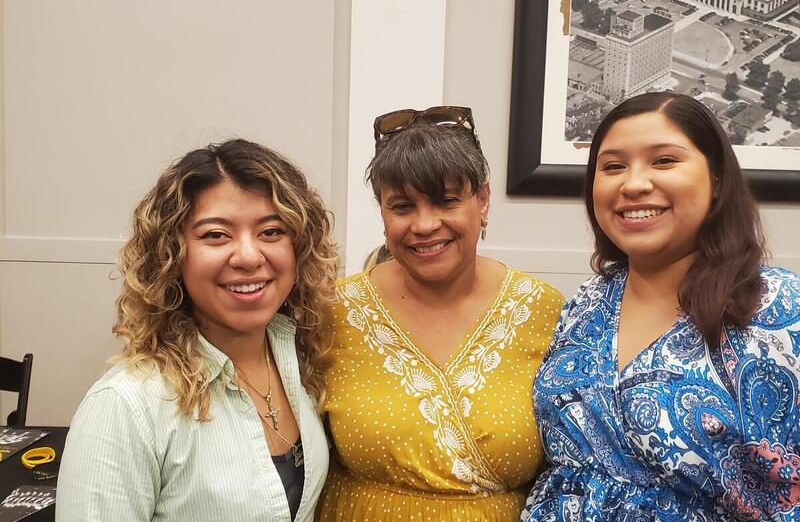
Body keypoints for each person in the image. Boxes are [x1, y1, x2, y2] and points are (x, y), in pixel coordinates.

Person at [522, 92, 800, 521]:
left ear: (718, 178)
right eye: (613, 166)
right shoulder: (588, 301)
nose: (633, 184)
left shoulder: (782, 312)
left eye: (664, 161)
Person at [56, 139, 338, 522]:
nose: (249, 256)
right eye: (215, 235)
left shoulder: (301, 359)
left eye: (271, 231)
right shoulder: (126, 405)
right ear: (171, 256)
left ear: (299, 247)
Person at [317, 106, 564, 521]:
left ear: (482, 201)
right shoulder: (333, 311)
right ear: (382, 212)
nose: (425, 224)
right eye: (402, 207)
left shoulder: (544, 310)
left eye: (446, 201)